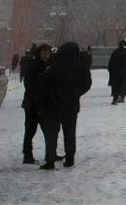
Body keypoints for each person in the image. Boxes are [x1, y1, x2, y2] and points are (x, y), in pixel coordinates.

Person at [35, 41, 91, 169]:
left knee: (52, 132)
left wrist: (52, 94)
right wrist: (76, 94)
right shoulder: (81, 67)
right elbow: (87, 84)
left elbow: (45, 82)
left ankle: (50, 160)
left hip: (54, 104)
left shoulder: (56, 65)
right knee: (70, 132)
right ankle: (69, 158)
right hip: (71, 104)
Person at [21, 43, 49, 163]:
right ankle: (27, 155)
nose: (46, 55)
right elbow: (29, 85)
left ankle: (51, 153)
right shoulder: (33, 66)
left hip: (45, 104)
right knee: (30, 131)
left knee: (49, 131)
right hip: (32, 104)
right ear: (39, 53)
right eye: (44, 52)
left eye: (48, 52)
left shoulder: (50, 65)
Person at [107, 39, 126, 105]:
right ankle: (122, 97)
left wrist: (111, 71)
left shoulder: (115, 52)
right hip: (124, 72)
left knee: (115, 86)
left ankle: (115, 98)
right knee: (123, 85)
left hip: (115, 72)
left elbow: (110, 63)